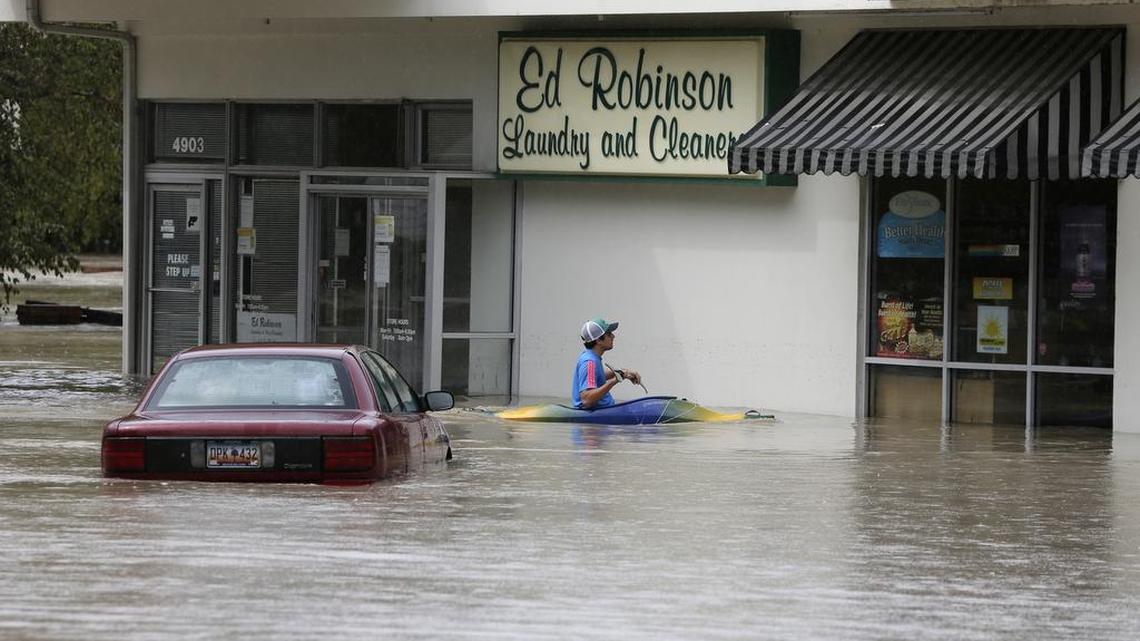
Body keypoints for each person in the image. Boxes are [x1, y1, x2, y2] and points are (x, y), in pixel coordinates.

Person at [571, 317, 641, 409]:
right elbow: (586, 399)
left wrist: (624, 372)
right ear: (598, 340)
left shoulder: (590, 356)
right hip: (599, 414)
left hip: (606, 410)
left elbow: (596, 376)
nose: (613, 336)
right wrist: (614, 380)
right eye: (609, 334)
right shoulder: (589, 362)